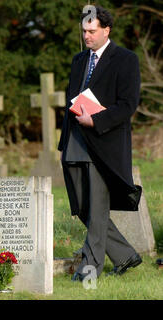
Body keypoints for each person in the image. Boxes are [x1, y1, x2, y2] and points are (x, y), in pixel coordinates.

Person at [58, 6, 143, 281]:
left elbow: (128, 105)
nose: (87, 36)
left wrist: (97, 121)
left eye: (92, 31)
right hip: (74, 140)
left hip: (104, 143)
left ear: (106, 30)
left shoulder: (126, 59)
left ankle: (89, 268)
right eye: (84, 31)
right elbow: (71, 99)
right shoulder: (78, 59)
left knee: (97, 208)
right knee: (82, 207)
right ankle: (124, 255)